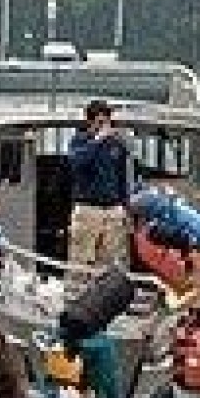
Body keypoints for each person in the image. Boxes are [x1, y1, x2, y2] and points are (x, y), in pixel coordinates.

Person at [68, 100, 131, 272]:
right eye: (100, 122)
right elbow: (77, 163)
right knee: (81, 260)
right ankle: (78, 287)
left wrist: (126, 208)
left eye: (107, 121)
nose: (104, 126)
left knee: (111, 262)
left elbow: (122, 177)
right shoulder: (79, 141)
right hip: (88, 208)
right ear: (90, 121)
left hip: (113, 209)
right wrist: (97, 141)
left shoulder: (117, 144)